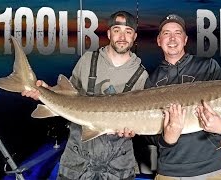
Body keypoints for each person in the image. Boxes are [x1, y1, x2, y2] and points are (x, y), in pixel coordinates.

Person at [22, 11, 148, 179]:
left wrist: (133, 130)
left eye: (128, 31)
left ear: (135, 36)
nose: (122, 36)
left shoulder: (141, 75)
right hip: (77, 157)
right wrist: (46, 90)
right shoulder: (88, 60)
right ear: (109, 33)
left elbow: (139, 118)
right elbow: (67, 93)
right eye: (117, 30)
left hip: (118, 162)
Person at [143, 14, 221, 179]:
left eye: (177, 33)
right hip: (170, 171)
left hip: (213, 168)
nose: (172, 38)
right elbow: (149, 135)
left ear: (185, 39)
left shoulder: (208, 67)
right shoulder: (152, 80)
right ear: (159, 40)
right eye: (166, 33)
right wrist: (167, 139)